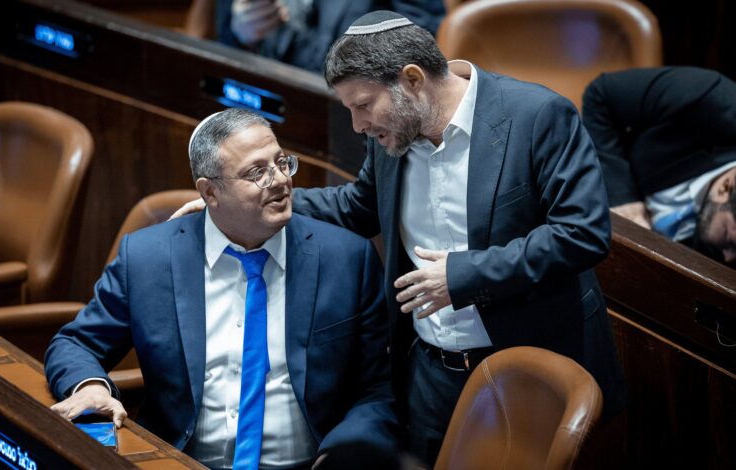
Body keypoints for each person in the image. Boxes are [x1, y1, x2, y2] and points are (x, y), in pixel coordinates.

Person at [173, 11, 626, 466]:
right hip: (430, 374)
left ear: (412, 80)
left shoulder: (537, 115)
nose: (357, 124)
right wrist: (254, 203)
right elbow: (359, 206)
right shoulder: (394, 133)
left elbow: (582, 233)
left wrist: (462, 275)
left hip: (529, 368)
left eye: (363, 105)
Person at [44, 108, 398, 469]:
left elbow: (379, 388)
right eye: (257, 172)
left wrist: (343, 454)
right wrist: (91, 387)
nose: (280, 180)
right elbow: (75, 343)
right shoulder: (147, 259)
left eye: (281, 163)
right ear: (210, 192)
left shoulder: (347, 259)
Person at [582, 66, 736, 265]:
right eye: (729, 240)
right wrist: (623, 198)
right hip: (593, 188)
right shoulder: (709, 98)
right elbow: (600, 95)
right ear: (726, 188)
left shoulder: (725, 227)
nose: (728, 257)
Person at [185, 0, 444, 72]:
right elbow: (212, 47)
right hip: (249, 116)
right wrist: (241, 37)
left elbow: (416, 43)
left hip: (347, 128)